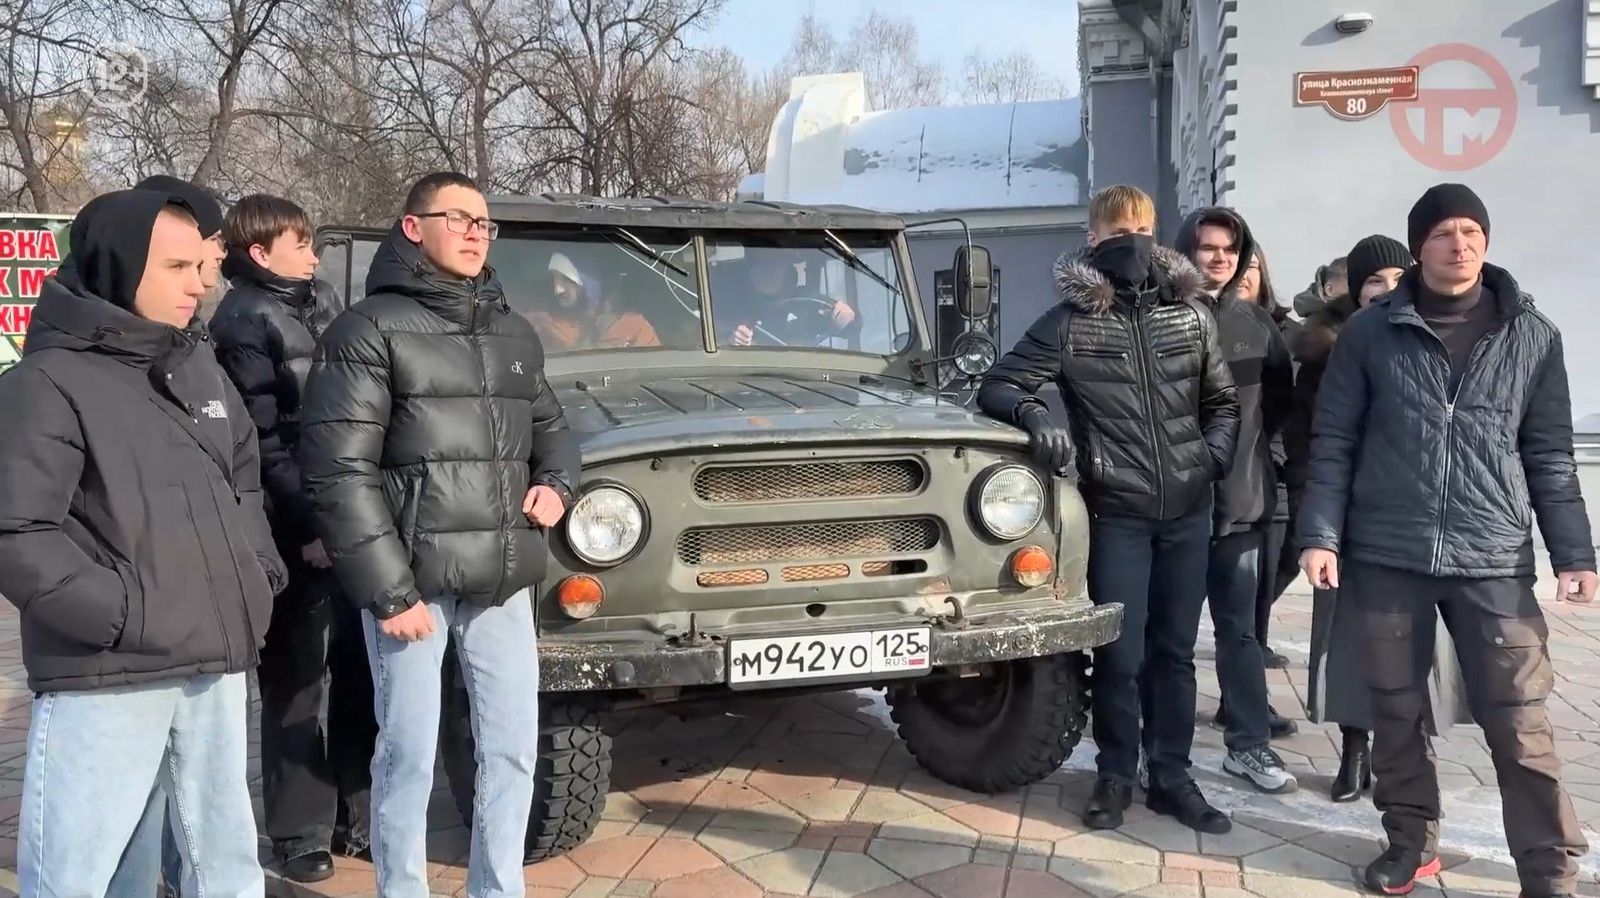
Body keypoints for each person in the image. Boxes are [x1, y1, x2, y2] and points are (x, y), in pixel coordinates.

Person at [1299, 183, 1597, 897]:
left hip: (1491, 555)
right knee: (1396, 710)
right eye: (1442, 233)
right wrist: (1321, 535)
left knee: (1519, 721)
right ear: (1418, 247)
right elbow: (1334, 439)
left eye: (1471, 231)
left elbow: (1549, 455)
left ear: (1485, 242)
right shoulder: (1370, 334)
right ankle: (1410, 843)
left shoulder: (1532, 335)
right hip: (1385, 551)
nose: (1459, 245)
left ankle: (1548, 869)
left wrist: (1574, 554)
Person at [300, 171, 579, 898]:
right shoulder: (366, 331)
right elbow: (338, 470)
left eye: (484, 223)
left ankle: (499, 887)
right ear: (413, 227)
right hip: (413, 587)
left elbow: (554, 432)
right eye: (458, 218)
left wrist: (557, 484)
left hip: (502, 581)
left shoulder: (513, 333)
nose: (474, 233)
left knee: (513, 750)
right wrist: (388, 593)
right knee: (409, 755)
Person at [0, 188, 285, 897]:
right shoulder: (47, 383)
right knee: (75, 876)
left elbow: (244, 482)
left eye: (200, 265)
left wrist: (256, 573)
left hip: (214, 666)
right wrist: (123, 615)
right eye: (177, 267)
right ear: (121, 267)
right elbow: (17, 529)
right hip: (109, 674)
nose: (201, 283)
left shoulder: (196, 368)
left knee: (226, 869)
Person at [977, 185, 1240, 834]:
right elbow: (999, 383)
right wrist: (1034, 414)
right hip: (1117, 512)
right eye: (1118, 232)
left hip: (1188, 510)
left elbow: (1223, 404)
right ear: (1093, 239)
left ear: (1157, 234)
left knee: (1174, 654)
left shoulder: (1192, 316)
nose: (1132, 242)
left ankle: (1172, 776)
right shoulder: (1069, 322)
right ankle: (1116, 773)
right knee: (1121, 657)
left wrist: (1208, 461)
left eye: (1141, 229)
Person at [208, 193, 375, 880]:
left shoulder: (322, 302)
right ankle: (299, 832)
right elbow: (263, 441)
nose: (313, 254)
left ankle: (358, 817)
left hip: (347, 515)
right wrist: (309, 526)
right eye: (299, 243)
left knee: (360, 673)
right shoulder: (242, 321)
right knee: (297, 681)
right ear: (260, 252)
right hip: (291, 528)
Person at [1291, 233, 1430, 804]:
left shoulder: (1429, 342)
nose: (1387, 289)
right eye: (1375, 280)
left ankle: (1406, 755)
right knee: (1347, 637)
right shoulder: (1326, 353)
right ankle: (1354, 749)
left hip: (1413, 518)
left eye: (1398, 278)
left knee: (1411, 641)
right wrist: (1319, 523)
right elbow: (1311, 444)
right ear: (1355, 291)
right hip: (1345, 519)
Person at [1174, 209, 1298, 794]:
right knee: (1169, 638)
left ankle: (1248, 745)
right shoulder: (1161, 318)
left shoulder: (1256, 324)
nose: (1220, 258)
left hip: (1243, 506)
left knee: (1240, 634)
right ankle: (1160, 747)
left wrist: (1255, 466)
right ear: (1186, 252)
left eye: (1231, 249)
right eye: (1208, 248)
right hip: (1174, 509)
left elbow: (1280, 406)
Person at [1235, 246, 1298, 669]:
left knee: (1283, 560)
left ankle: (1252, 638)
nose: (1245, 273)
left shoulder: (1286, 331)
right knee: (1242, 571)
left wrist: (1277, 453)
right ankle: (1248, 645)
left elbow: (1291, 400)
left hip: (1277, 466)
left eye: (1253, 266)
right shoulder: (1207, 322)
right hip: (1229, 470)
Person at [713, 246, 856, 346]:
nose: (773, 266)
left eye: (781, 260)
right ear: (756, 265)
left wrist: (847, 315)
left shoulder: (807, 302)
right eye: (769, 260)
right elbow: (712, 336)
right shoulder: (731, 303)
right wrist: (732, 340)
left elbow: (851, 327)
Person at [525, 251, 660, 349]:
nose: (557, 290)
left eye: (567, 280)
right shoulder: (545, 324)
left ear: (591, 284)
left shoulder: (635, 329)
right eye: (554, 279)